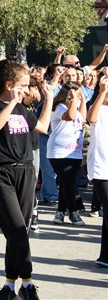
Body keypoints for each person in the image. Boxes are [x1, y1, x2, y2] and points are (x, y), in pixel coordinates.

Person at [0, 59, 53, 300]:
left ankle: (9, 285)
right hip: (3, 173)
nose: (26, 89)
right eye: (22, 85)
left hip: (26, 171)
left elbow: (43, 126)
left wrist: (49, 98)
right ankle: (28, 281)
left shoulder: (24, 111)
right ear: (9, 85)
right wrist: (13, 101)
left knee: (17, 233)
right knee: (16, 231)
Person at [47, 82, 87, 226]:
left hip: (75, 151)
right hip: (59, 152)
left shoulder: (75, 105)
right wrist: (73, 99)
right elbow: (70, 116)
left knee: (66, 182)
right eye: (76, 93)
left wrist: (81, 100)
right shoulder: (59, 107)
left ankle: (59, 213)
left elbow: (82, 117)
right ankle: (73, 212)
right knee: (69, 182)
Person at [87, 73, 108, 267]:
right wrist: (102, 92)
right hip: (102, 169)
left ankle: (104, 257)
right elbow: (91, 118)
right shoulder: (98, 108)